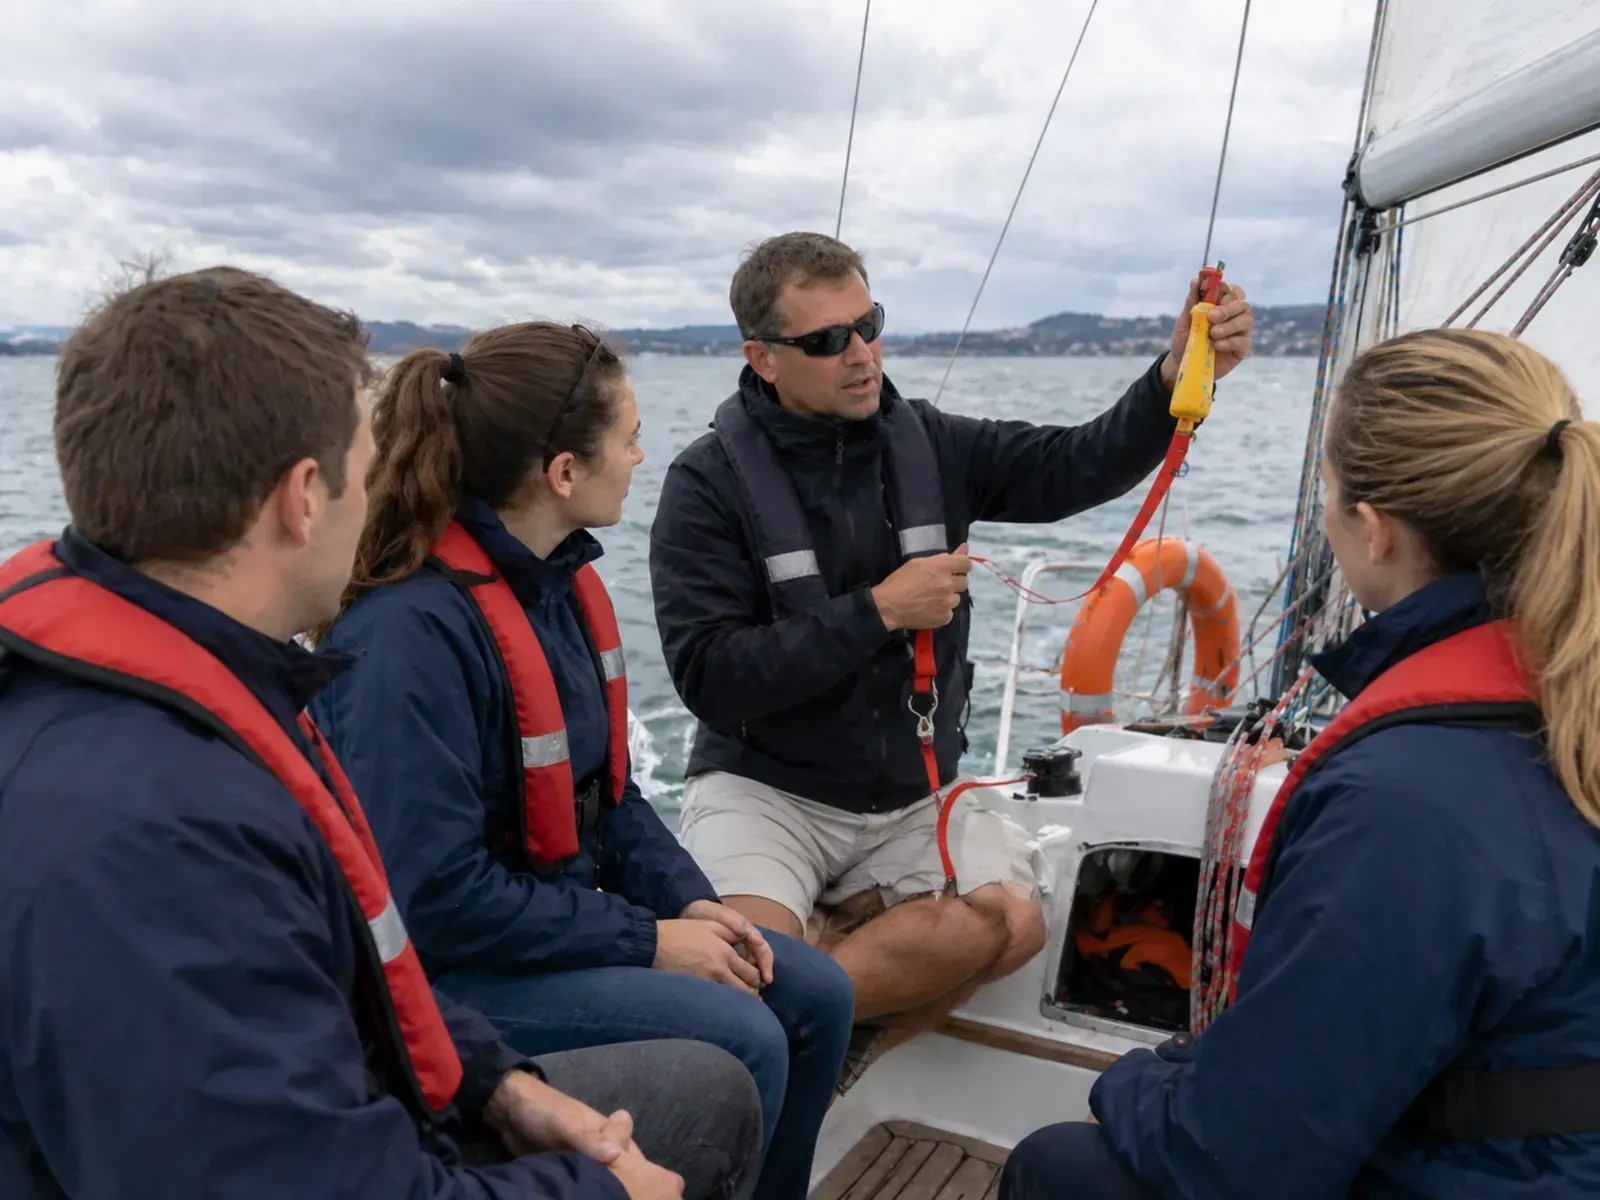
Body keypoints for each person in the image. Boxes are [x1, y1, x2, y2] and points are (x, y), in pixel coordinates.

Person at [0, 266, 764, 1200]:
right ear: (303, 497)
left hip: (345, 1091)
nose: (390, 497)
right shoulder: (150, 835)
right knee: (711, 1088)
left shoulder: (160, 705)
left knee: (712, 1092)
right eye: (369, 470)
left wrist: (498, 1086)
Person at [1002, 328, 1600, 1198]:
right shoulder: (1560, 699)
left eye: (1328, 490)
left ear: (1373, 529)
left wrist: (1126, 1084)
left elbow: (1239, 1161)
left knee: (1059, 1167)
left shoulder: (1404, 803)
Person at [647, 231, 1255, 1069]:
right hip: (769, 791)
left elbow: (1076, 464)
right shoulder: (705, 485)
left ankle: (821, 1031)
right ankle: (806, 991)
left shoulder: (932, 445)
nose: (861, 354)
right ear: (763, 358)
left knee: (1016, 922)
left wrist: (1170, 379)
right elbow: (711, 677)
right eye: (828, 341)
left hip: (907, 793)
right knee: (730, 970)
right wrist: (880, 611)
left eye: (870, 324)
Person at [308, 320, 855, 1200]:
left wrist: (693, 906)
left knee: (813, 993)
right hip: (454, 977)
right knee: (743, 1031)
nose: (643, 456)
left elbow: (611, 800)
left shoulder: (558, 586)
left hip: (543, 931)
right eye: (630, 437)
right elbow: (433, 903)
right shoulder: (408, 641)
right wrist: (649, 943)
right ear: (563, 472)